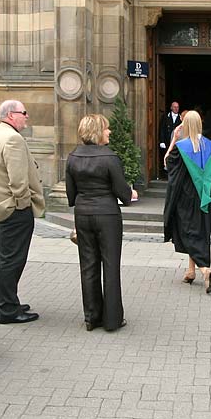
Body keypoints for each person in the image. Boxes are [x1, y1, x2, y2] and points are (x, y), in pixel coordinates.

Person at [66, 114, 137, 332]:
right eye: (106, 129)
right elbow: (122, 192)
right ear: (97, 132)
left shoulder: (72, 156)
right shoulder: (110, 157)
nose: (110, 132)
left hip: (83, 214)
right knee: (110, 266)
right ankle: (113, 320)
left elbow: (71, 194)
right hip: (107, 215)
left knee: (88, 265)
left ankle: (91, 317)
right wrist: (130, 193)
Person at [0, 100, 45, 324]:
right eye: (23, 113)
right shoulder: (12, 139)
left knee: (1, 256)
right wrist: (23, 203)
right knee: (12, 260)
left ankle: (3, 302)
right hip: (13, 209)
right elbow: (18, 180)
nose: (27, 116)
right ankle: (8, 308)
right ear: (10, 115)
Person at [163, 110, 211, 294]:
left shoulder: (181, 147)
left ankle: (205, 269)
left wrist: (174, 138)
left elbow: (167, 164)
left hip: (186, 199)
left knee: (187, 232)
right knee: (199, 233)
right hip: (207, 199)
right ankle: (191, 271)